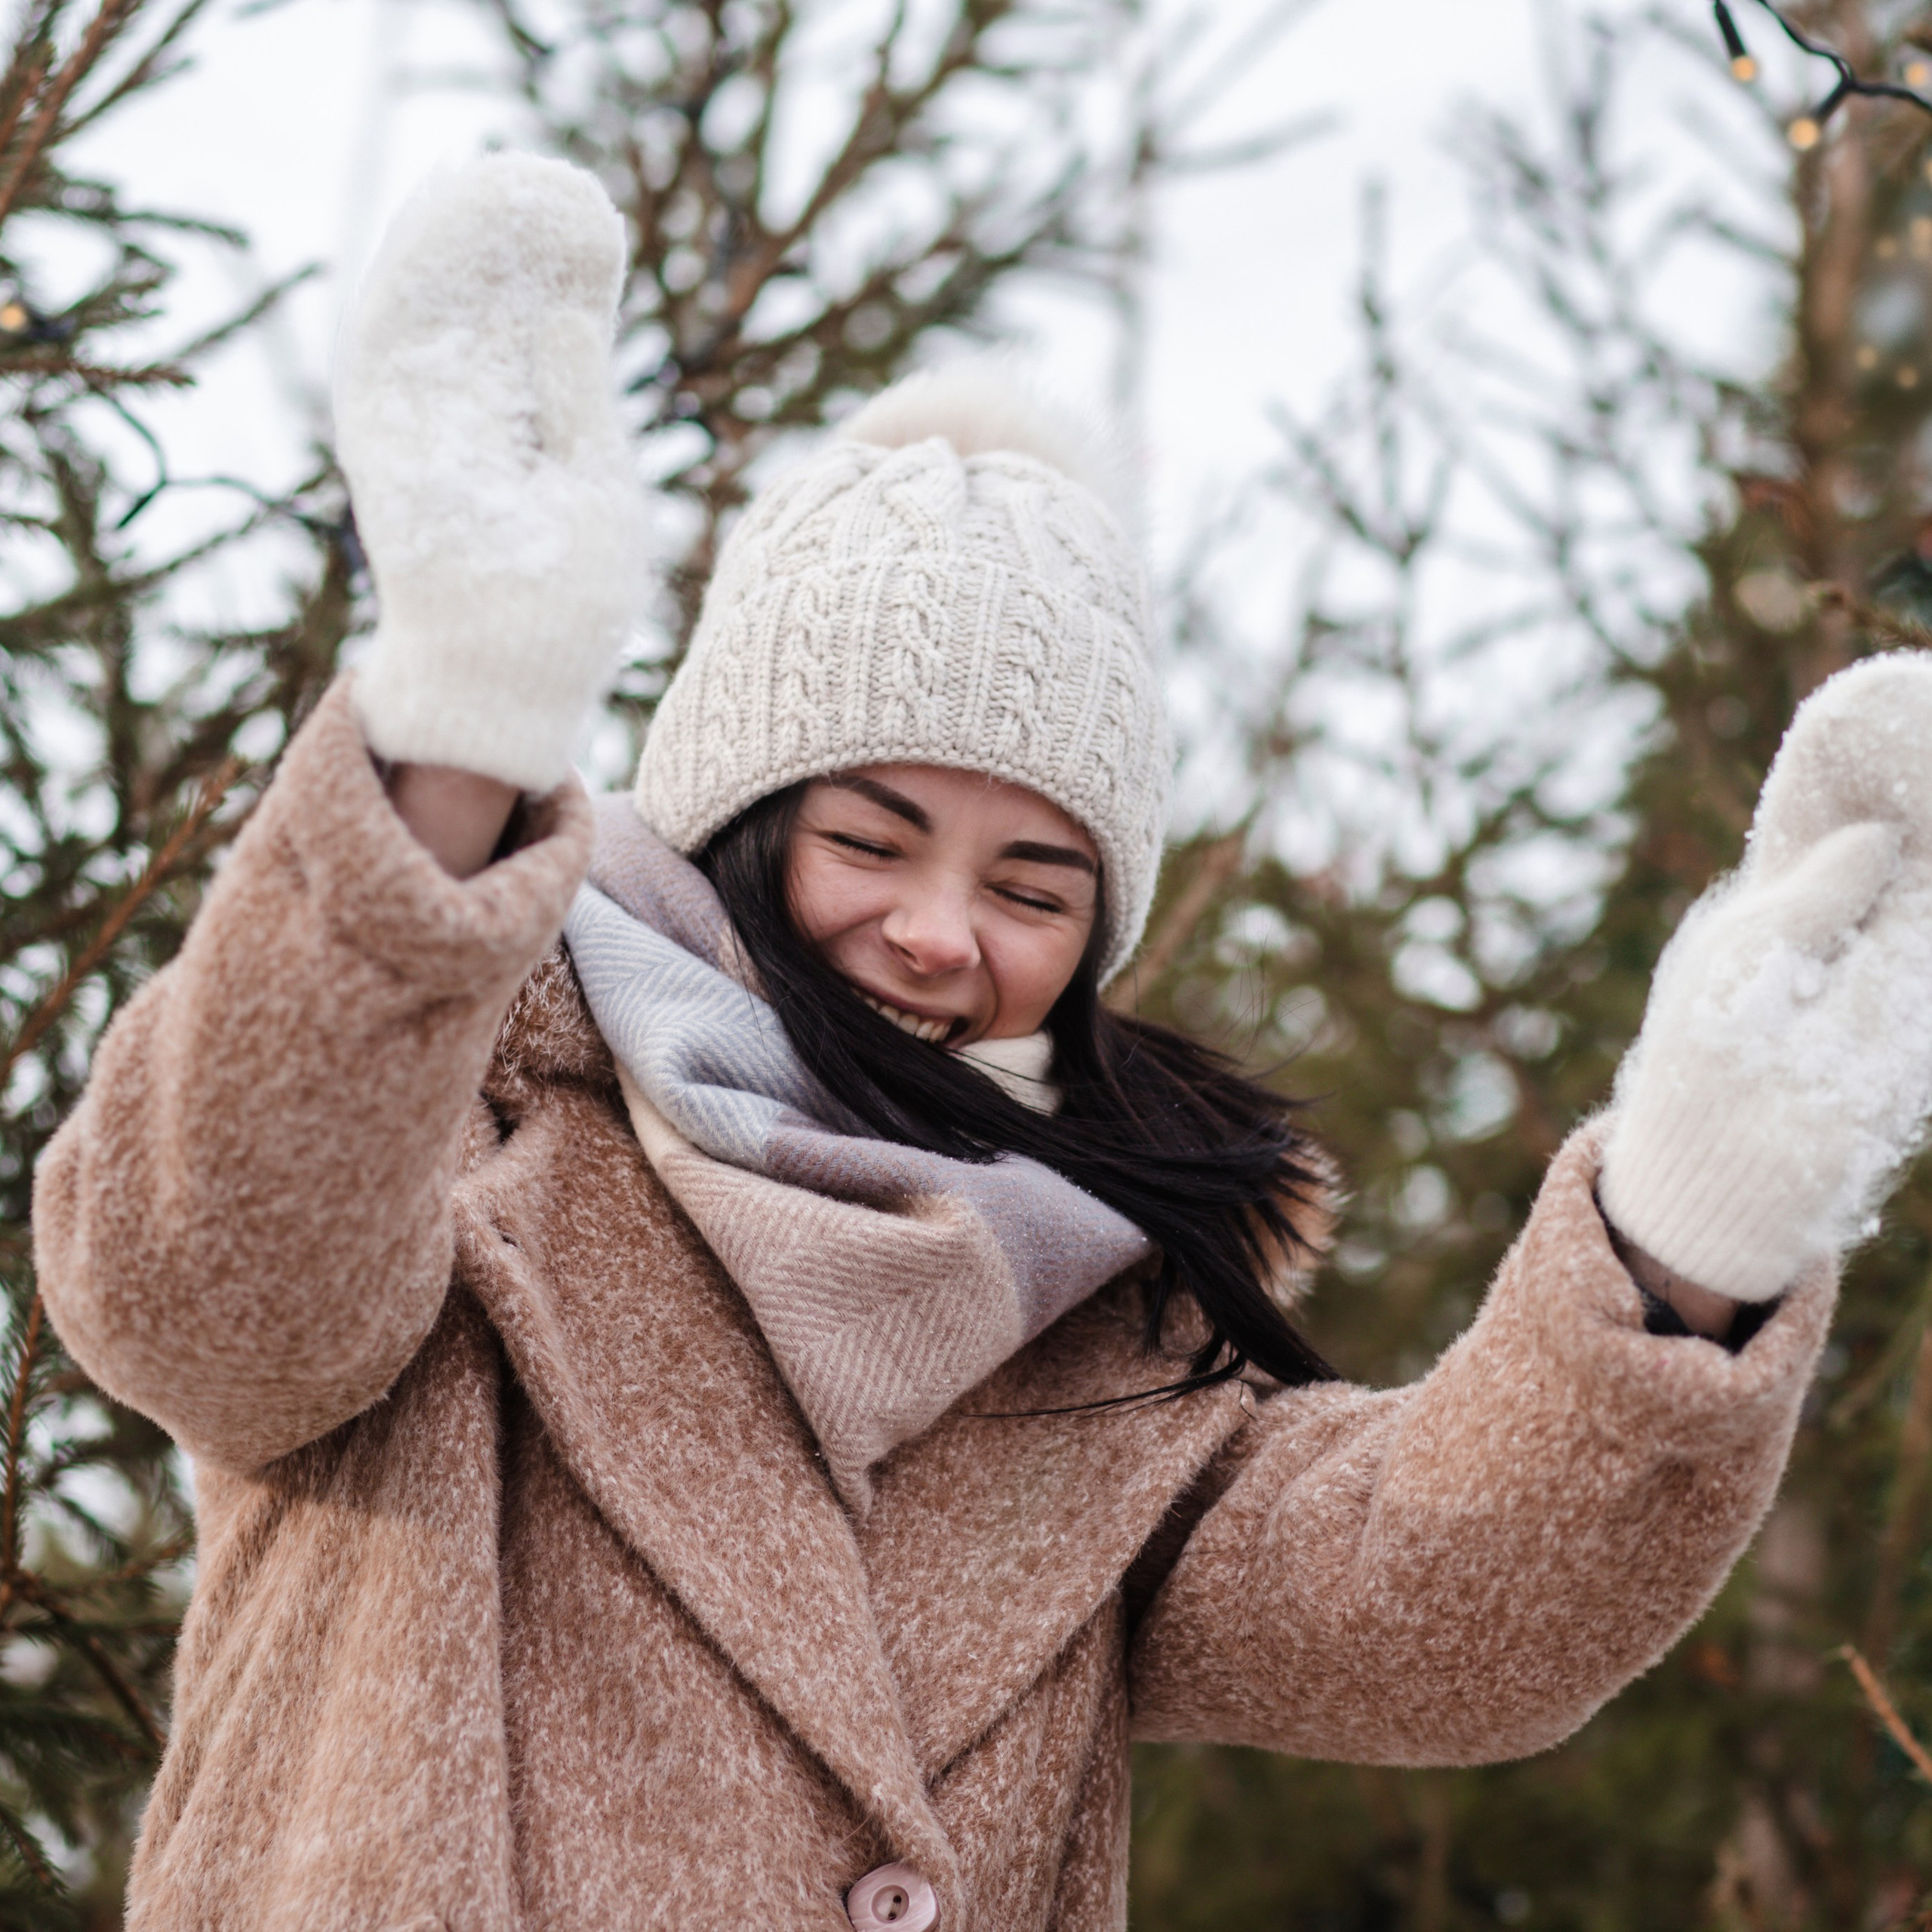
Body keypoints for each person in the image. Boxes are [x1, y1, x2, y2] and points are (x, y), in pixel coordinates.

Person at [32, 153, 1932, 1932]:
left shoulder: (1096, 1346)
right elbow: (204, 1290)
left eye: (1032, 884)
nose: (939, 932)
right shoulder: (458, 1127)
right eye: (868, 840)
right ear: (735, 820)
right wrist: (457, 727)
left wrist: (1704, 1199)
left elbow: (1447, 1613)